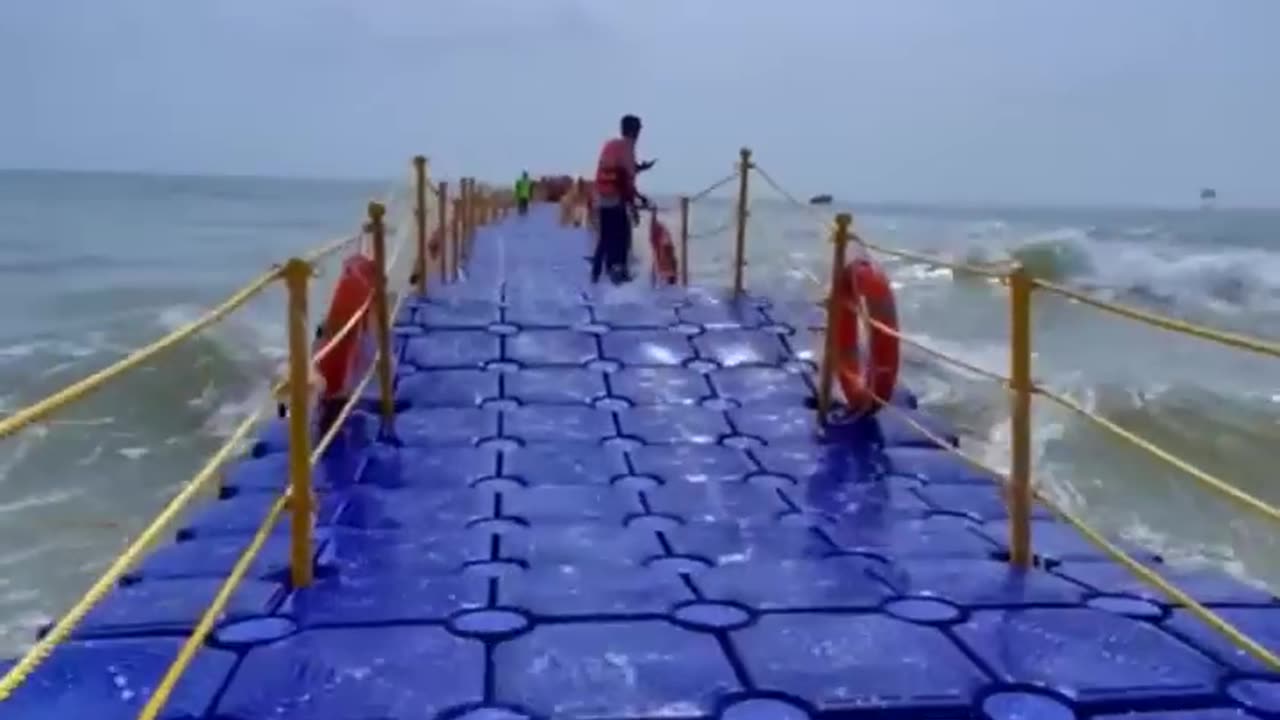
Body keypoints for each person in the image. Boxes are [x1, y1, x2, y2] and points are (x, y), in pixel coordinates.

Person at [591, 114, 656, 284]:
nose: (640, 132)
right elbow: (624, 180)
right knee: (623, 236)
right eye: (639, 129)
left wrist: (641, 168)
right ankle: (619, 273)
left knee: (605, 237)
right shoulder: (628, 148)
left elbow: (616, 169)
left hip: (601, 196)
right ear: (634, 131)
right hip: (615, 198)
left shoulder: (612, 145)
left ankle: (596, 274)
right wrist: (635, 204)